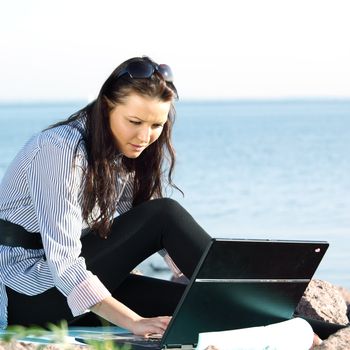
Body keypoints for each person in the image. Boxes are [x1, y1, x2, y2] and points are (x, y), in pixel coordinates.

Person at [0, 56, 212, 336]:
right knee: (165, 214)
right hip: (25, 294)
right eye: (135, 121)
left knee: (194, 306)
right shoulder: (59, 150)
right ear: (106, 107)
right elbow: (63, 261)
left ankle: (261, 302)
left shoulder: (117, 153)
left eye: (156, 125)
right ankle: (252, 293)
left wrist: (185, 272)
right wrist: (133, 322)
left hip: (68, 288)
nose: (145, 136)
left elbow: (138, 221)